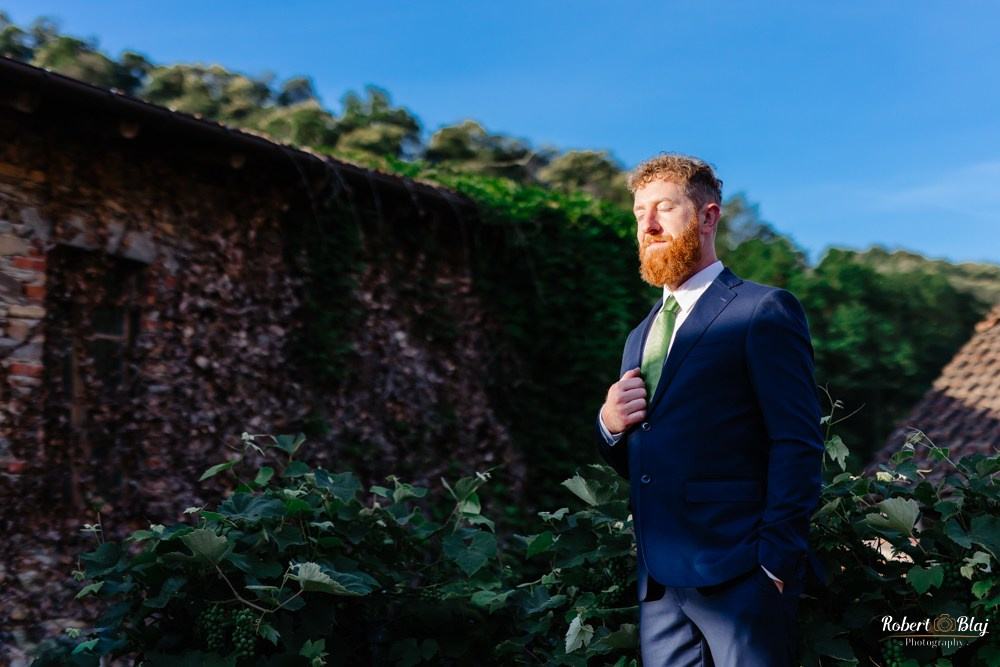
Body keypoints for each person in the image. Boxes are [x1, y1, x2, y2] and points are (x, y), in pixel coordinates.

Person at [597, 153, 823, 666]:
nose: (648, 225)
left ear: (707, 217)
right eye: (638, 213)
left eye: (664, 208)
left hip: (743, 574)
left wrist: (775, 562)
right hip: (658, 588)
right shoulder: (639, 337)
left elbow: (797, 441)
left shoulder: (762, 310)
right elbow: (648, 455)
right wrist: (610, 428)